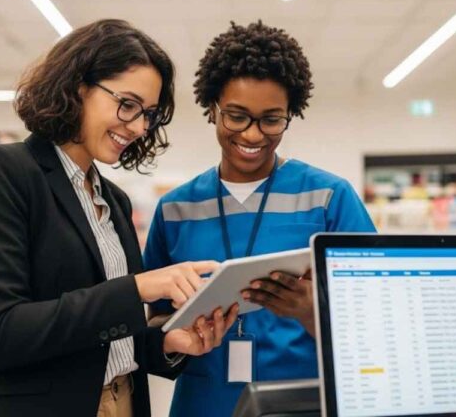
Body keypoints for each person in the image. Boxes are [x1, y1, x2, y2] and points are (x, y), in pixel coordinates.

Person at [0, 19, 238, 417]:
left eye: (148, 114)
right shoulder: (4, 171)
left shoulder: (112, 200)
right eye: (128, 104)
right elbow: (0, 332)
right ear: (79, 86)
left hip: (120, 402)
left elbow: (107, 340)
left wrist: (169, 343)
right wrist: (136, 288)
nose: (138, 126)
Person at [143, 21, 376, 416]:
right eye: (236, 116)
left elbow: (376, 327)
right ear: (212, 108)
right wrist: (179, 333)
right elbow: (154, 325)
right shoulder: (176, 209)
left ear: (290, 114)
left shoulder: (328, 199)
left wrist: (308, 311)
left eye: (271, 119)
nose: (253, 135)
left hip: (299, 402)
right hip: (202, 404)